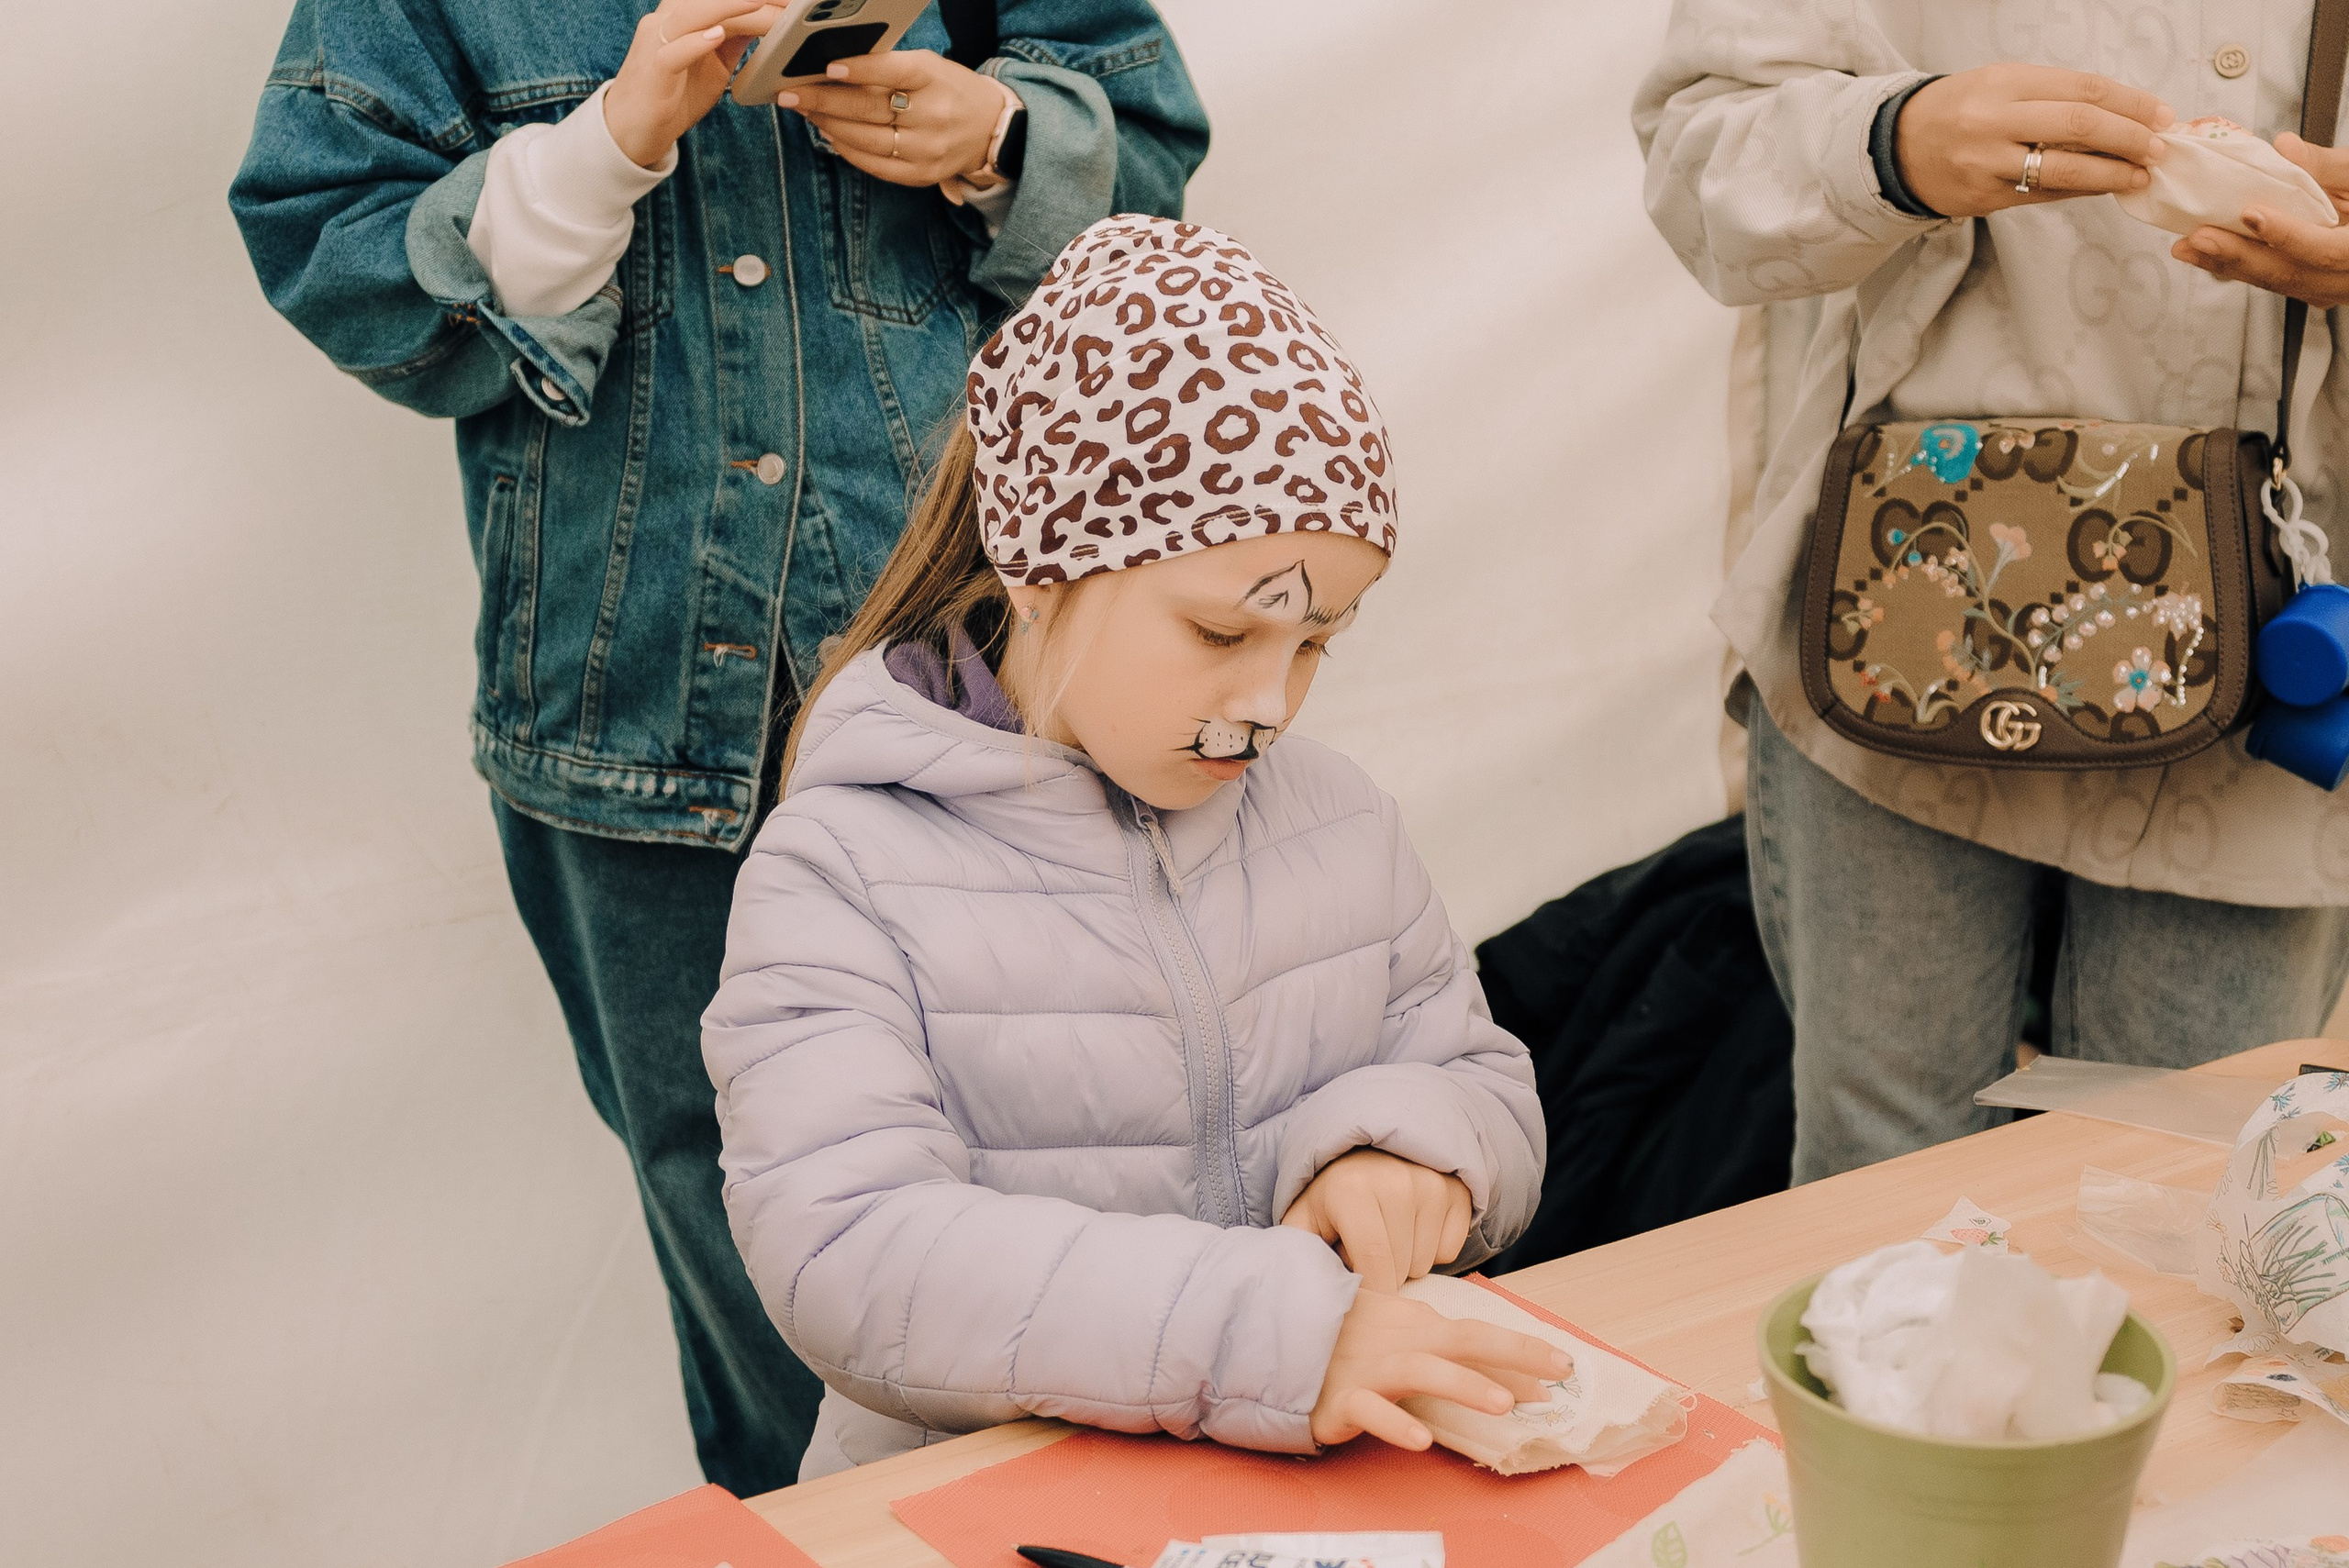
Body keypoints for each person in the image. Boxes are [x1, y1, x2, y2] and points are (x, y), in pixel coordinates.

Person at [229, 0, 1208, 1493]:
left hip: (988, 707)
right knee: (764, 1262)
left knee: (1080, 1197)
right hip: (629, 740)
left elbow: (1151, 162)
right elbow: (324, 234)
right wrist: (602, 152)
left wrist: (1004, 142)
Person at [702, 216, 1564, 1479]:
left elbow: (1483, 1079)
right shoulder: (839, 869)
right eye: (1224, 635)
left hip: (1300, 1499)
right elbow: (852, 1253)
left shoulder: (1341, 823)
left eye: (1318, 643)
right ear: (1040, 565)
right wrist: (1274, 1335)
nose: (1271, 702)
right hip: (985, 1505)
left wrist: (1415, 1147)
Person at [1636, 8, 2349, 1184]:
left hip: (2265, 660)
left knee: (2188, 1207)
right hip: (1903, 623)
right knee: (1880, 1205)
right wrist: (1890, 144)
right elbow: (1696, 161)